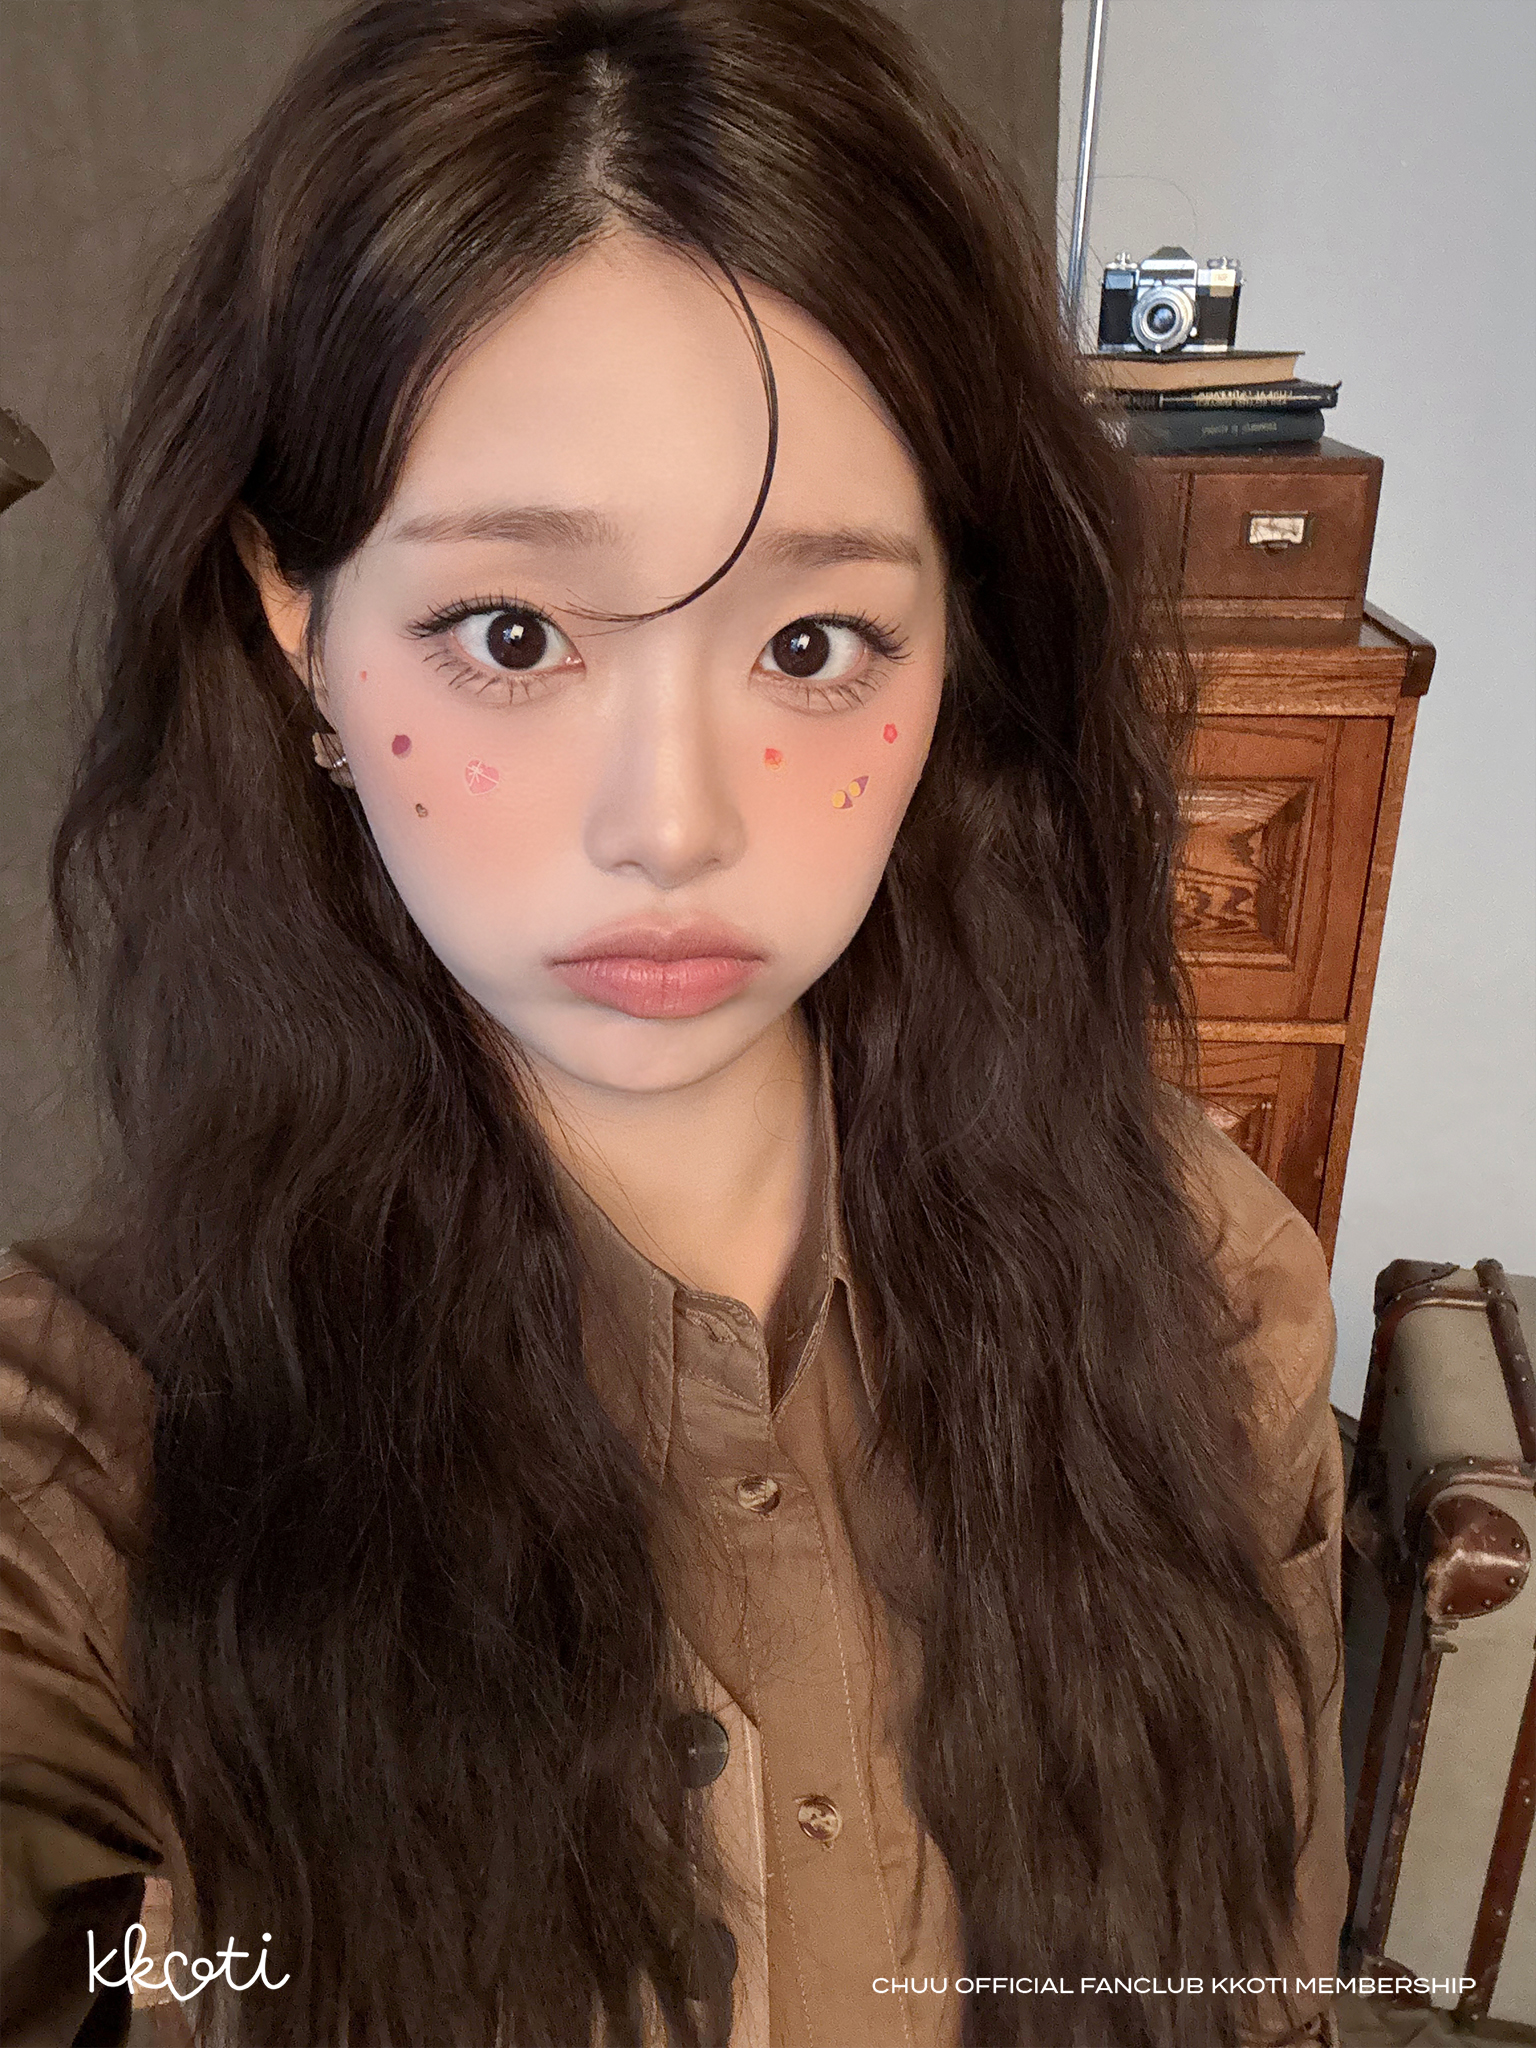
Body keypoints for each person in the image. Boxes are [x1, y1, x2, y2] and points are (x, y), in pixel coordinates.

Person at [0, 2, 1350, 2044]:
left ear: (955, 644)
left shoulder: (1206, 1288)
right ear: (297, 630)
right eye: (513, 632)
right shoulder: (83, 1475)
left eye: (812, 641)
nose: (674, 824)